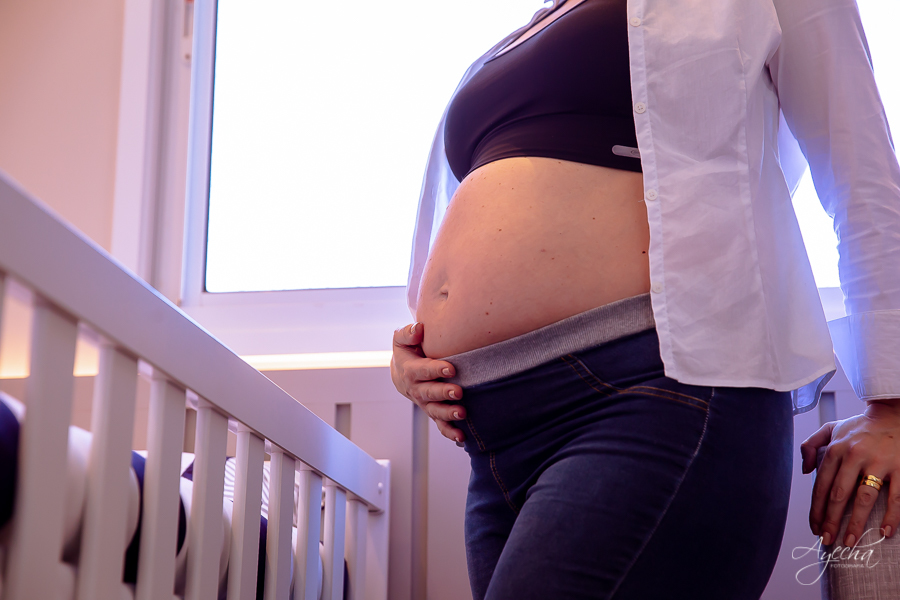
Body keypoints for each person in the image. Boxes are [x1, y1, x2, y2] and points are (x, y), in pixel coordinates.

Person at [389, 0, 900, 598]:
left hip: (651, 392)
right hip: (496, 439)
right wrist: (418, 346)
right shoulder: (534, 24)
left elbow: (861, 178)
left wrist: (892, 405)